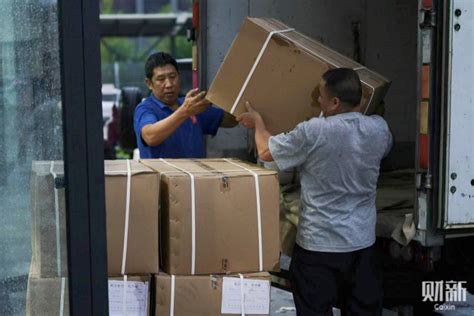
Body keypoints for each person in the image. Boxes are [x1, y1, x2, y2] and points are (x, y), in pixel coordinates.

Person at [237, 68, 392, 315]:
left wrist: (257, 123)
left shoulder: (315, 130)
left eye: (320, 96)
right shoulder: (379, 128)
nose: (316, 101)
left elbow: (267, 152)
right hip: (362, 244)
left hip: (319, 246)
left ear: (334, 102)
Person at [134, 52, 237, 158]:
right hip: (163, 175)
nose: (169, 84)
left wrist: (222, 98)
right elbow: (150, 137)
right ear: (149, 84)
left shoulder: (193, 106)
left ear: (179, 76)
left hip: (194, 174)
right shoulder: (146, 109)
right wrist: (184, 112)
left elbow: (232, 121)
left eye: (172, 77)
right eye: (161, 79)